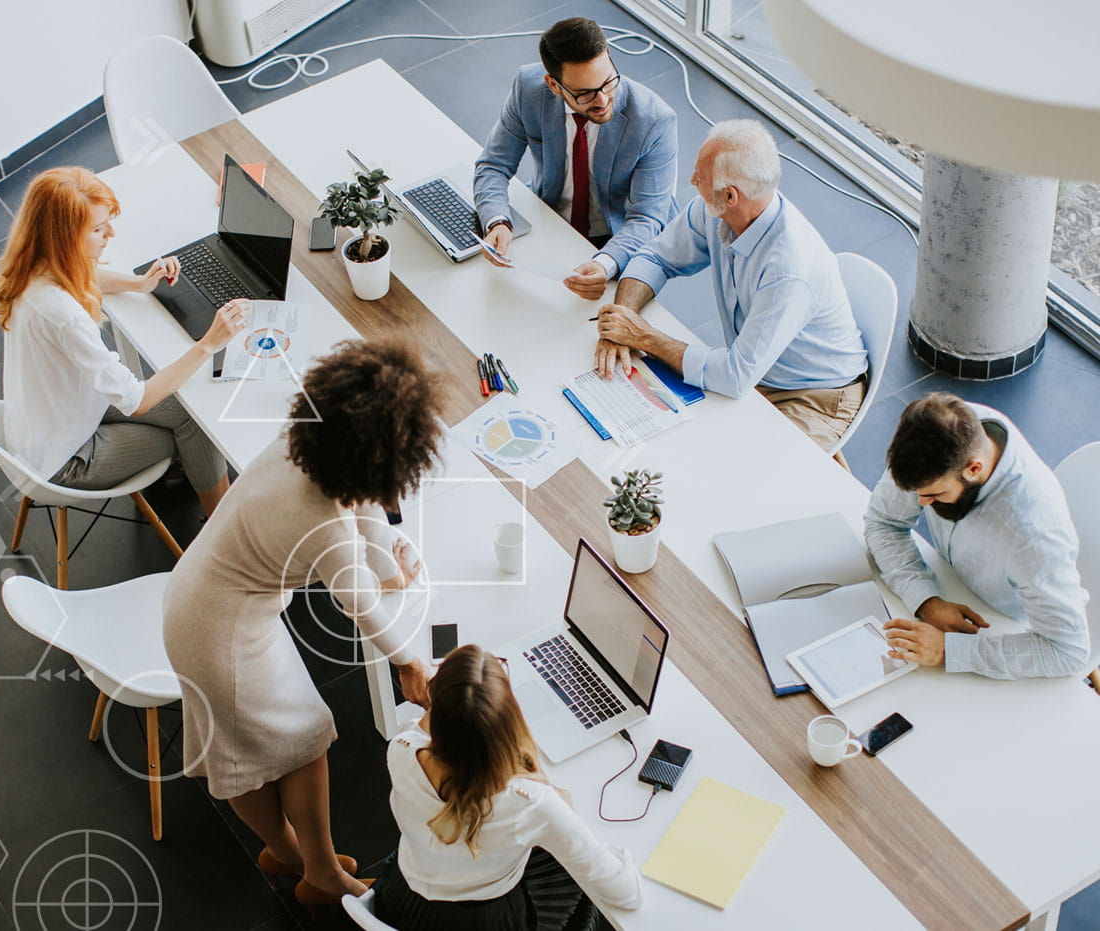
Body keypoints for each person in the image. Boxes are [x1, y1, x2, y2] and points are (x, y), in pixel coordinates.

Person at [162, 339, 442, 907]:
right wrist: (411, 663)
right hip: (220, 635)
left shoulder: (306, 443)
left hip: (204, 598)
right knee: (275, 747)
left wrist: (389, 564)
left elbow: (361, 506)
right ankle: (314, 872)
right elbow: (359, 601)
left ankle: (295, 857)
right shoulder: (325, 524)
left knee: (275, 741)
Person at [594, 120, 868, 454]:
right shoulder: (716, 209)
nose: (692, 181)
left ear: (729, 195)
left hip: (816, 396)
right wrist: (620, 322)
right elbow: (655, 257)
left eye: (700, 176)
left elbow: (735, 376)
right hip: (756, 370)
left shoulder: (788, 269)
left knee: (745, 473)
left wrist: (643, 337)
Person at [0, 166, 243, 514]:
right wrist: (209, 343)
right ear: (64, 240)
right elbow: (137, 401)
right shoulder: (65, 316)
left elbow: (83, 274)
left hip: (50, 422)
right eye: (97, 229)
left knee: (188, 412)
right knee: (195, 427)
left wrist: (139, 283)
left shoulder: (31, 268)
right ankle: (223, 525)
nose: (110, 233)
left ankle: (201, 478)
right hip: (67, 460)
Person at [373, 645, 641, 931]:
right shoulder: (529, 802)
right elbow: (626, 893)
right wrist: (568, 814)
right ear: (508, 718)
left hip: (405, 900)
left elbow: (422, 730)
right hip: (486, 921)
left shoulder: (401, 750)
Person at [866, 393, 1091, 679]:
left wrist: (948, 650)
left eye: (935, 494)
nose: (921, 503)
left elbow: (1068, 652)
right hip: (952, 587)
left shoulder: (1033, 536)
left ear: (973, 469)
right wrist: (926, 601)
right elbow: (884, 522)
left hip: (1007, 632)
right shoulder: (938, 430)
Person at [474, 17, 677, 299]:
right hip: (550, 217)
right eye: (585, 94)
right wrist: (497, 221)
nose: (602, 100)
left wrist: (604, 264)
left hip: (622, 237)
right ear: (553, 85)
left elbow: (646, 218)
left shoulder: (654, 120)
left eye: (608, 82)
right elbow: (493, 165)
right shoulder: (528, 89)